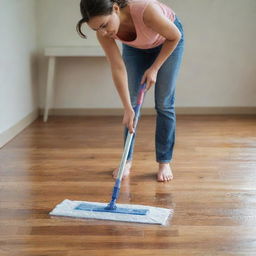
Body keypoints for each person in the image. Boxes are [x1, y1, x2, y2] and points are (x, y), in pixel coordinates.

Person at [76, 0, 184, 182]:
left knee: (164, 104)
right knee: (132, 106)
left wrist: (155, 68)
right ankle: (127, 160)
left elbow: (175, 36)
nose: (103, 32)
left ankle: (164, 161)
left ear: (116, 9)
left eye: (104, 25)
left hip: (168, 41)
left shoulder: (145, 10)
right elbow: (117, 67)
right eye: (96, 29)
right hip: (136, 48)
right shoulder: (104, 33)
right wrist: (127, 107)